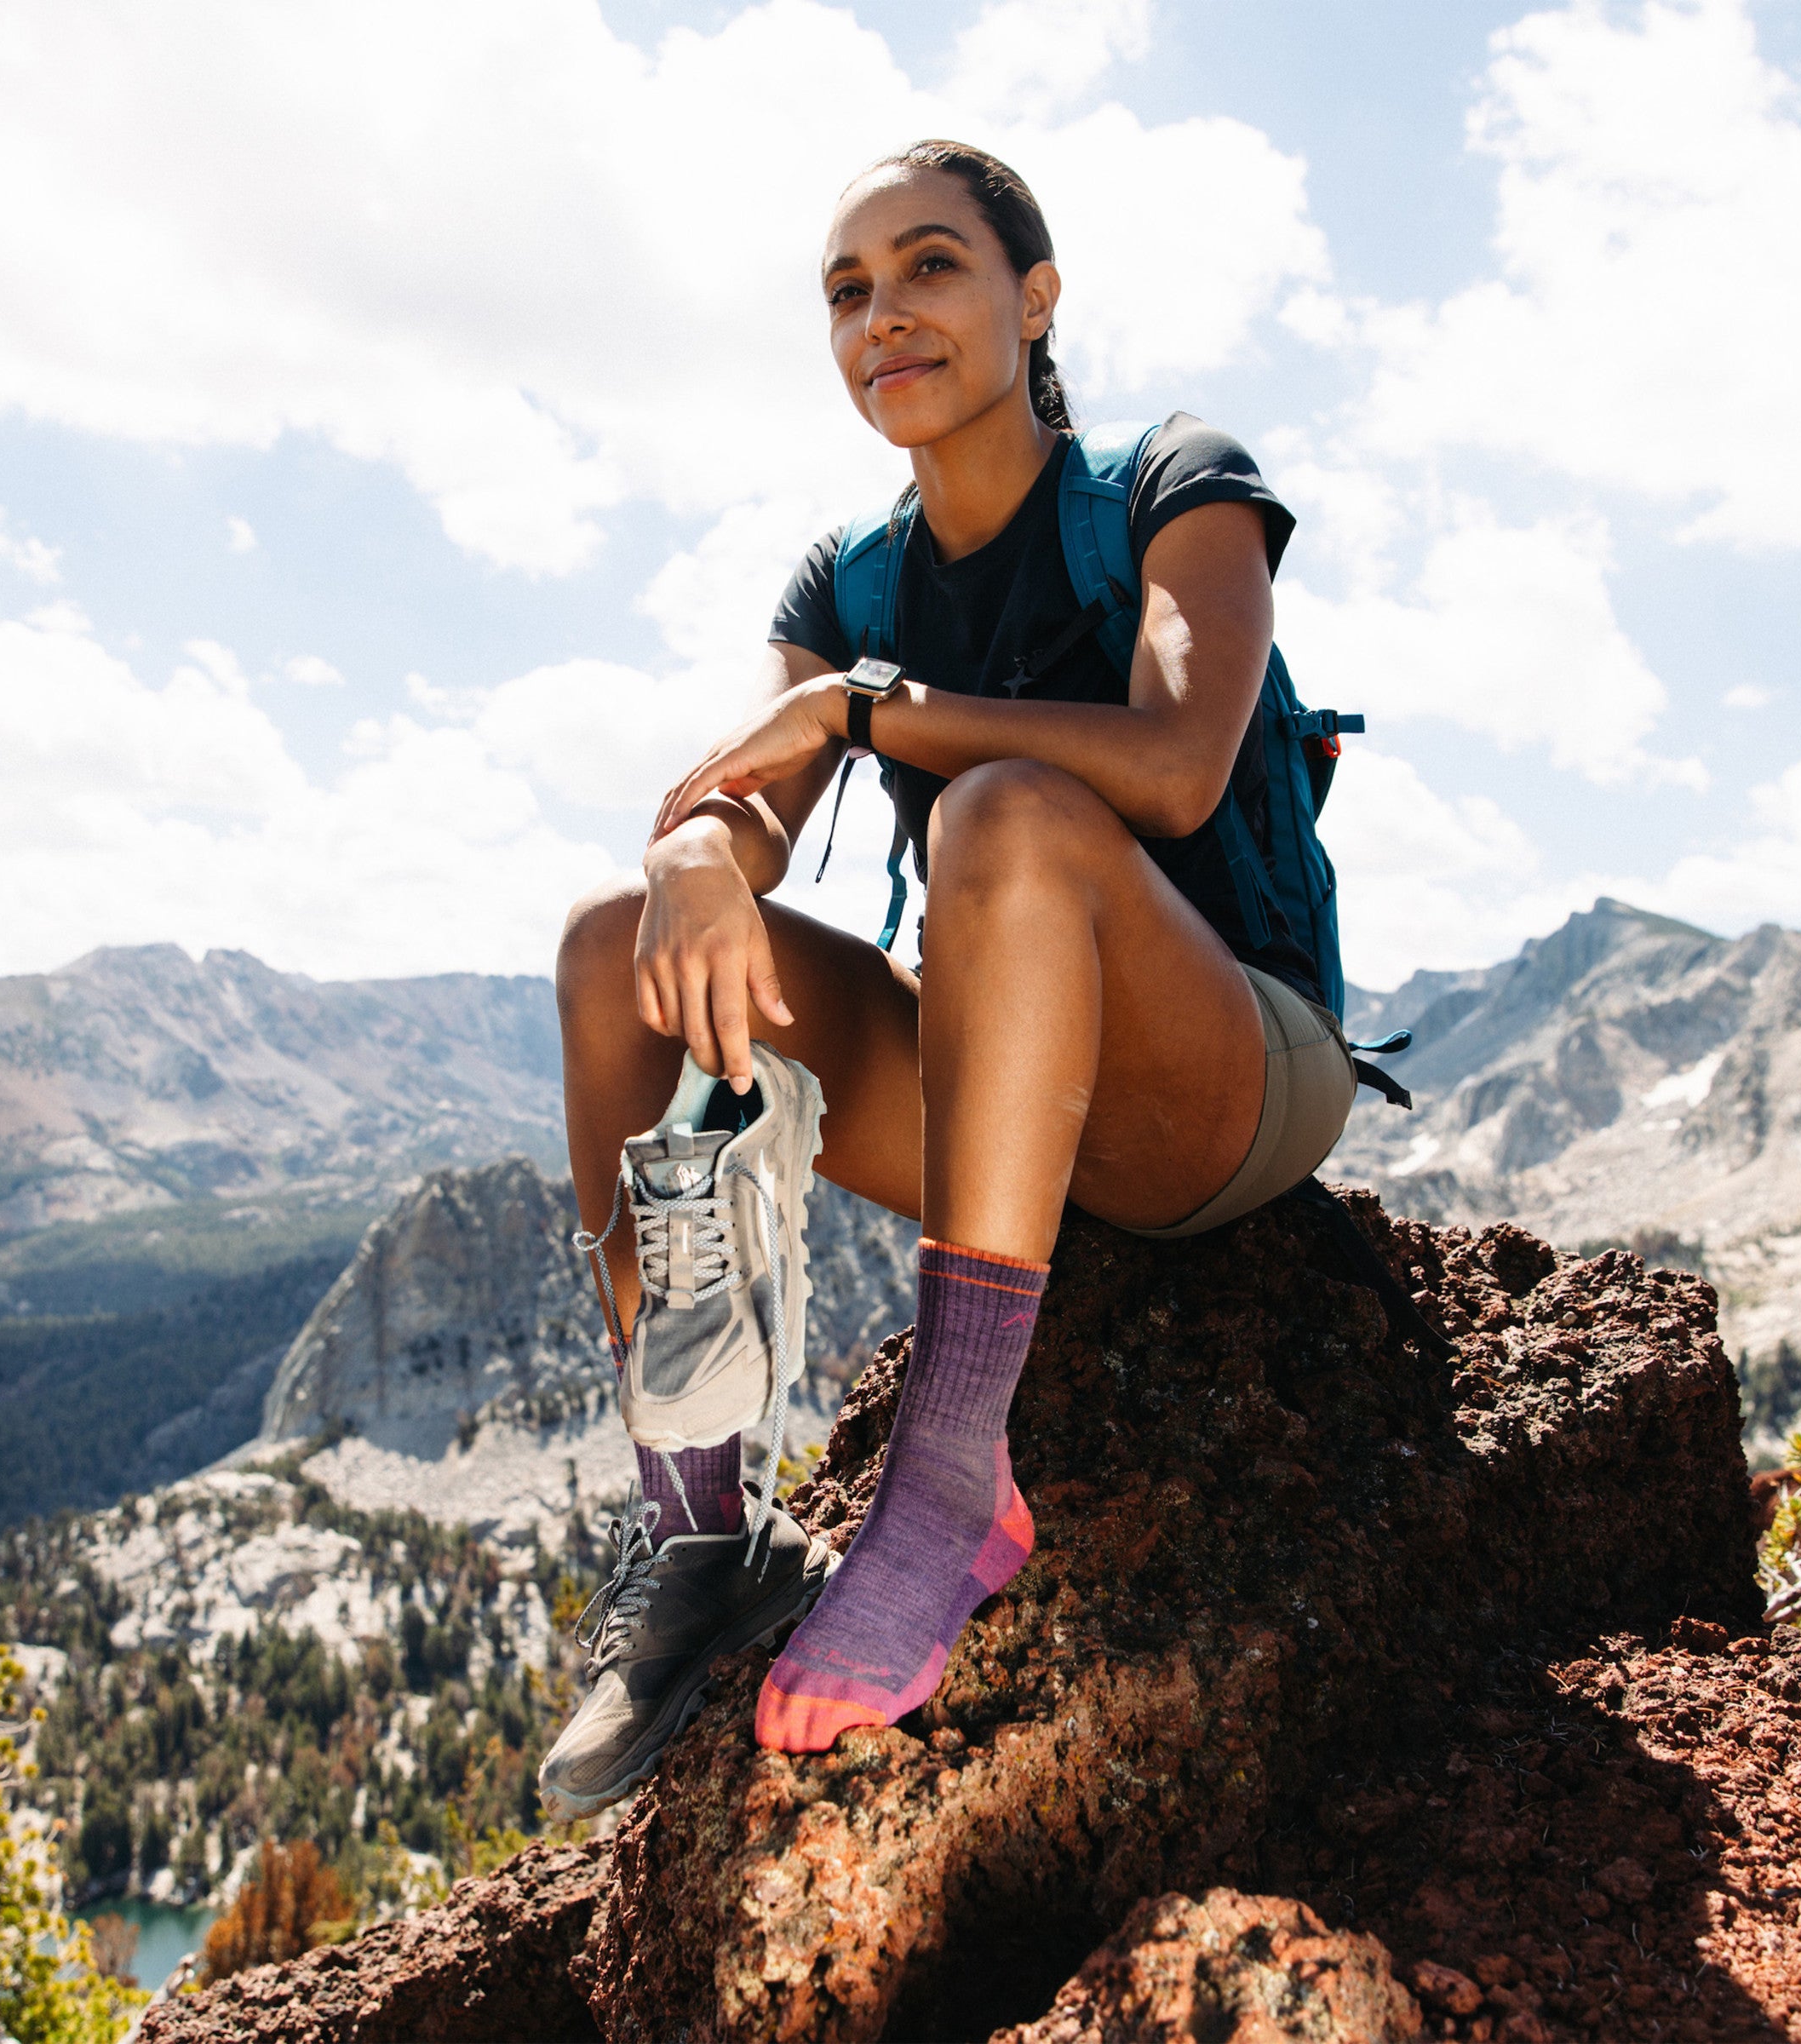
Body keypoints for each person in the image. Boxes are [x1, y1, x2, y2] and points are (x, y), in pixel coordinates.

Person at [539, 139, 1355, 1818]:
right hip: (1002, 1093)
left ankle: (949, 1480)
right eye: (847, 292)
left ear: (1034, 298)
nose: (881, 316)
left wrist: (865, 711)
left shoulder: (1175, 486)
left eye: (929, 267)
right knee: (614, 941)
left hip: (1226, 1081)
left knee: (1005, 813)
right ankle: (704, 1531)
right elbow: (749, 804)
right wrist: (697, 850)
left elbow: (1178, 764)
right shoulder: (849, 579)